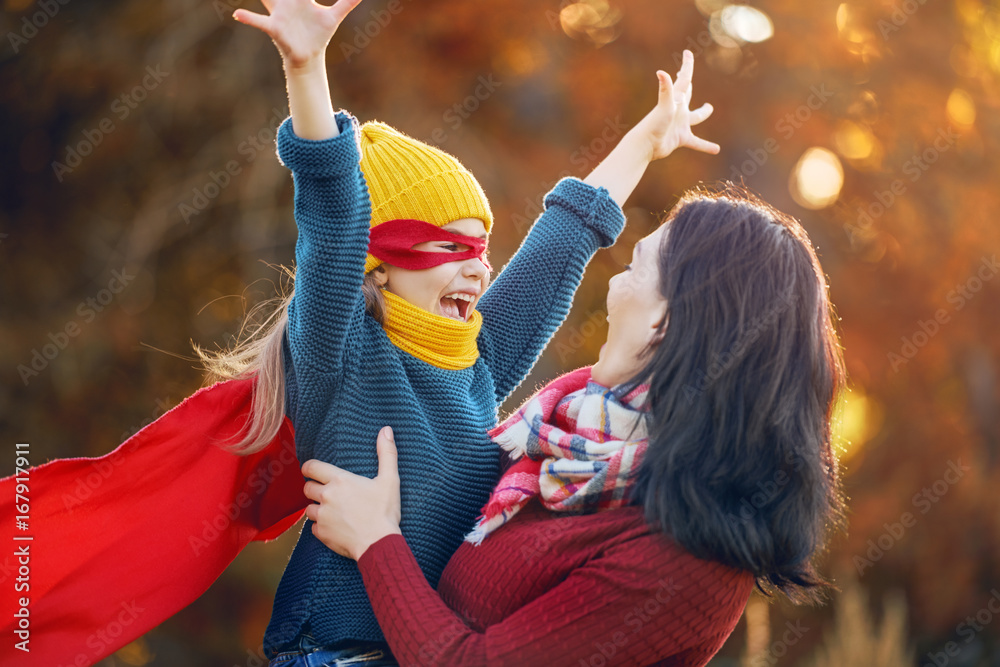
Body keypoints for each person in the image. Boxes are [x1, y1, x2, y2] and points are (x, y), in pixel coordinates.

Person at [224, 0, 721, 663]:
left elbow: (561, 244)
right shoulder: (336, 352)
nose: (479, 271)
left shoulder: (478, 359)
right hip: (332, 653)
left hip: (423, 647)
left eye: (482, 249)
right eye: (450, 248)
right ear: (379, 263)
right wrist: (306, 65)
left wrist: (646, 140)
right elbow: (332, 211)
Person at [302, 183, 848, 665]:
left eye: (635, 268)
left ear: (666, 321)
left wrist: (376, 541)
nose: (613, 287)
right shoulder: (575, 431)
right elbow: (504, 331)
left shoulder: (686, 562)